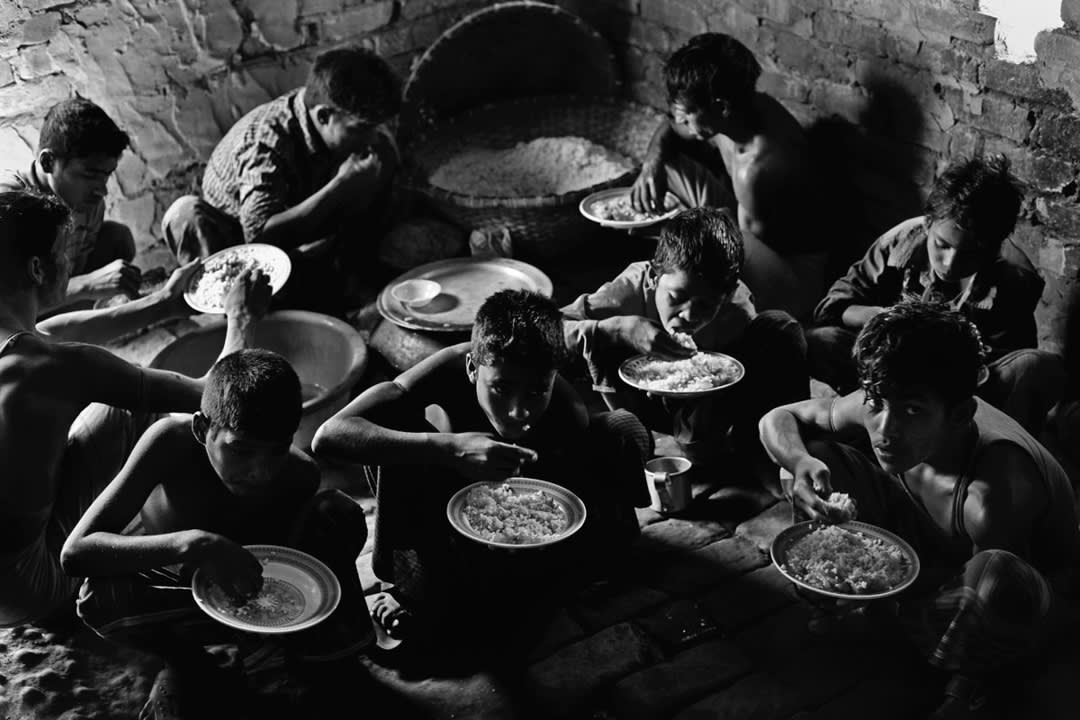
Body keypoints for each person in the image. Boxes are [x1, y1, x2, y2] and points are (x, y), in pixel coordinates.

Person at [759, 301, 1080, 719]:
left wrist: (875, 582)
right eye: (877, 403)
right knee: (821, 457)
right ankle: (847, 604)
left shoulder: (996, 490)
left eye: (913, 410)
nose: (886, 429)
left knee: (993, 577)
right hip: (931, 548)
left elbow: (987, 596)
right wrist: (801, 466)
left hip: (1025, 597)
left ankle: (964, 690)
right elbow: (777, 419)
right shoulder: (886, 398)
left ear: (961, 414)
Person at [311, 289, 650, 661]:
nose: (519, 411)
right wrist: (449, 448)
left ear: (554, 377)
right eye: (501, 388)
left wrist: (521, 533)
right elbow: (329, 436)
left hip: (515, 503)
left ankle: (591, 562)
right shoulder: (449, 368)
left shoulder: (567, 414)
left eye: (538, 390)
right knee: (392, 430)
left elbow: (547, 506)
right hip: (442, 499)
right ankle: (411, 587)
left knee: (622, 429)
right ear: (474, 367)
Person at [0, 190, 269, 627]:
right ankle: (186, 551)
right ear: (36, 268)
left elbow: (54, 329)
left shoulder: (19, 344)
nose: (69, 265)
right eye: (62, 254)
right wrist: (243, 320)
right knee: (141, 415)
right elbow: (212, 393)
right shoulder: (51, 365)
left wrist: (164, 301)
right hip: (28, 585)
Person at [63, 349, 373, 719]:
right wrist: (194, 544)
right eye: (240, 450)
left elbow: (281, 564)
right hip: (176, 584)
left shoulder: (299, 475)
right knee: (100, 597)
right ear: (201, 429)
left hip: (248, 596)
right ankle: (185, 662)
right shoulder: (169, 443)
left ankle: (287, 655)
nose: (260, 471)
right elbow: (76, 552)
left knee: (337, 514)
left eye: (277, 451)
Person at [162, 45, 442, 314]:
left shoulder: (334, 117)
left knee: (383, 162)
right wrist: (340, 186)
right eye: (362, 128)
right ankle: (237, 319)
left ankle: (348, 284)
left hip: (303, 238)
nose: (371, 136)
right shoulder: (266, 144)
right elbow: (260, 237)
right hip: (244, 249)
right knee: (185, 213)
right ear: (323, 116)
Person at [808, 155, 1065, 436]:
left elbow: (1002, 364)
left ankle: (979, 454)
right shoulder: (900, 242)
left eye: (971, 253)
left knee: (1035, 367)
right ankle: (865, 425)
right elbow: (832, 308)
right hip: (886, 369)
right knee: (821, 341)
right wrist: (878, 317)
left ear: (994, 247)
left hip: (958, 387)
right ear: (928, 223)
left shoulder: (1014, 279)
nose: (950, 263)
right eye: (942, 245)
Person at [562, 207, 807, 475]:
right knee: (602, 337)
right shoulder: (630, 291)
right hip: (639, 402)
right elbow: (549, 328)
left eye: (706, 305)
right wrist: (617, 328)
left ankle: (766, 452)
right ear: (655, 277)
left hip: (710, 404)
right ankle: (637, 440)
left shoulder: (736, 312)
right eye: (676, 298)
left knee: (781, 328)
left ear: (726, 295)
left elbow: (754, 376)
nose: (689, 315)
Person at [630, 33, 828, 319]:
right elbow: (671, 127)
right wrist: (652, 164)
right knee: (665, 164)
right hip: (740, 222)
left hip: (791, 278)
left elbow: (735, 254)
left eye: (687, 115)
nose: (682, 122)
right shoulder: (735, 110)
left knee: (695, 248)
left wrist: (673, 235)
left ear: (721, 106)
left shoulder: (760, 168)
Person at [0, 98, 142, 311]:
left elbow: (72, 271)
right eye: (90, 174)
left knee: (117, 238)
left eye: (106, 175)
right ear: (48, 162)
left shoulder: (90, 203)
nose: (101, 190)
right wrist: (87, 284)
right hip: (15, 320)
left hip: (52, 297)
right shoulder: (9, 206)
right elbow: (6, 306)